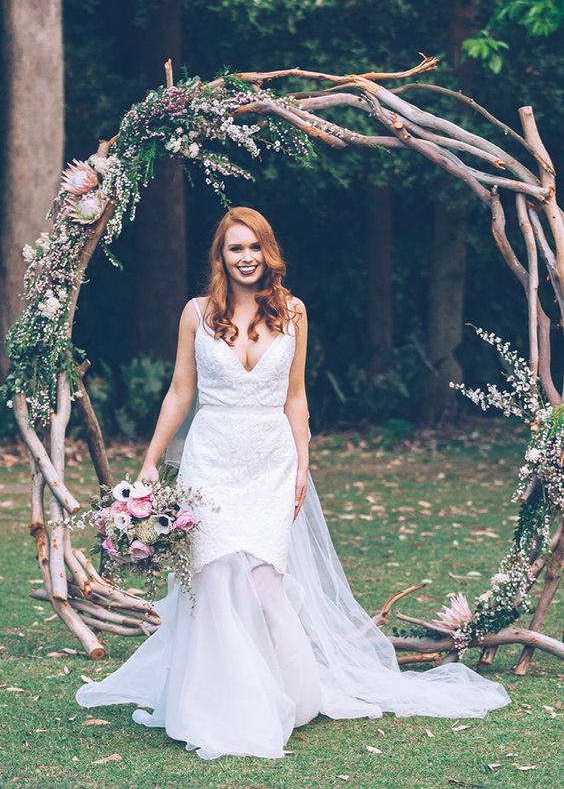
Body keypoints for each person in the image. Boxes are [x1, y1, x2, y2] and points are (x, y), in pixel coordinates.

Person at [75, 206, 511, 759]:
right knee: (211, 580)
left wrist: (303, 462)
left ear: (268, 250)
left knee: (261, 584)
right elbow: (180, 392)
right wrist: (148, 462)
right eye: (235, 248)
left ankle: (286, 692)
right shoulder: (196, 314)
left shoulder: (293, 312)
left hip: (271, 463)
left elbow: (296, 395)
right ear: (221, 256)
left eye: (254, 246)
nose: (246, 257)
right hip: (209, 463)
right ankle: (217, 706)